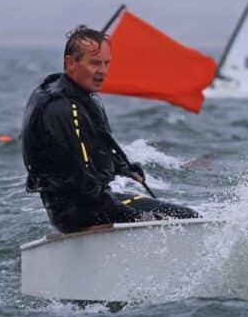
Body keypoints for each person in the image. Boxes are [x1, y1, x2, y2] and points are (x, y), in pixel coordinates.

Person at [22, 25, 199, 233]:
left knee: (188, 217)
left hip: (94, 202)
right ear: (71, 63)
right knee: (175, 223)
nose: (103, 71)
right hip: (77, 213)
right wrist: (135, 217)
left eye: (107, 63)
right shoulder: (62, 110)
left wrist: (122, 167)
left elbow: (91, 150)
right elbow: (82, 181)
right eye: (95, 63)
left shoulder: (80, 96)